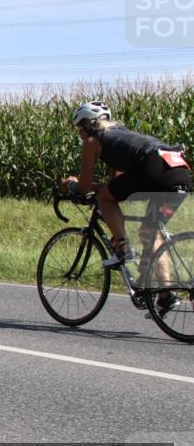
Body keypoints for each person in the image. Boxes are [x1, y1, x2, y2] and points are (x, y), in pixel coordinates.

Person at [61, 100, 190, 315]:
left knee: (104, 198)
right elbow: (118, 181)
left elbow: (85, 188)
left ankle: (122, 246)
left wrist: (70, 184)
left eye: (79, 129)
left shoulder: (93, 141)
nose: (80, 134)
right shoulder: (123, 138)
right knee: (150, 231)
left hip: (155, 170)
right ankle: (165, 295)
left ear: (86, 125)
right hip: (178, 171)